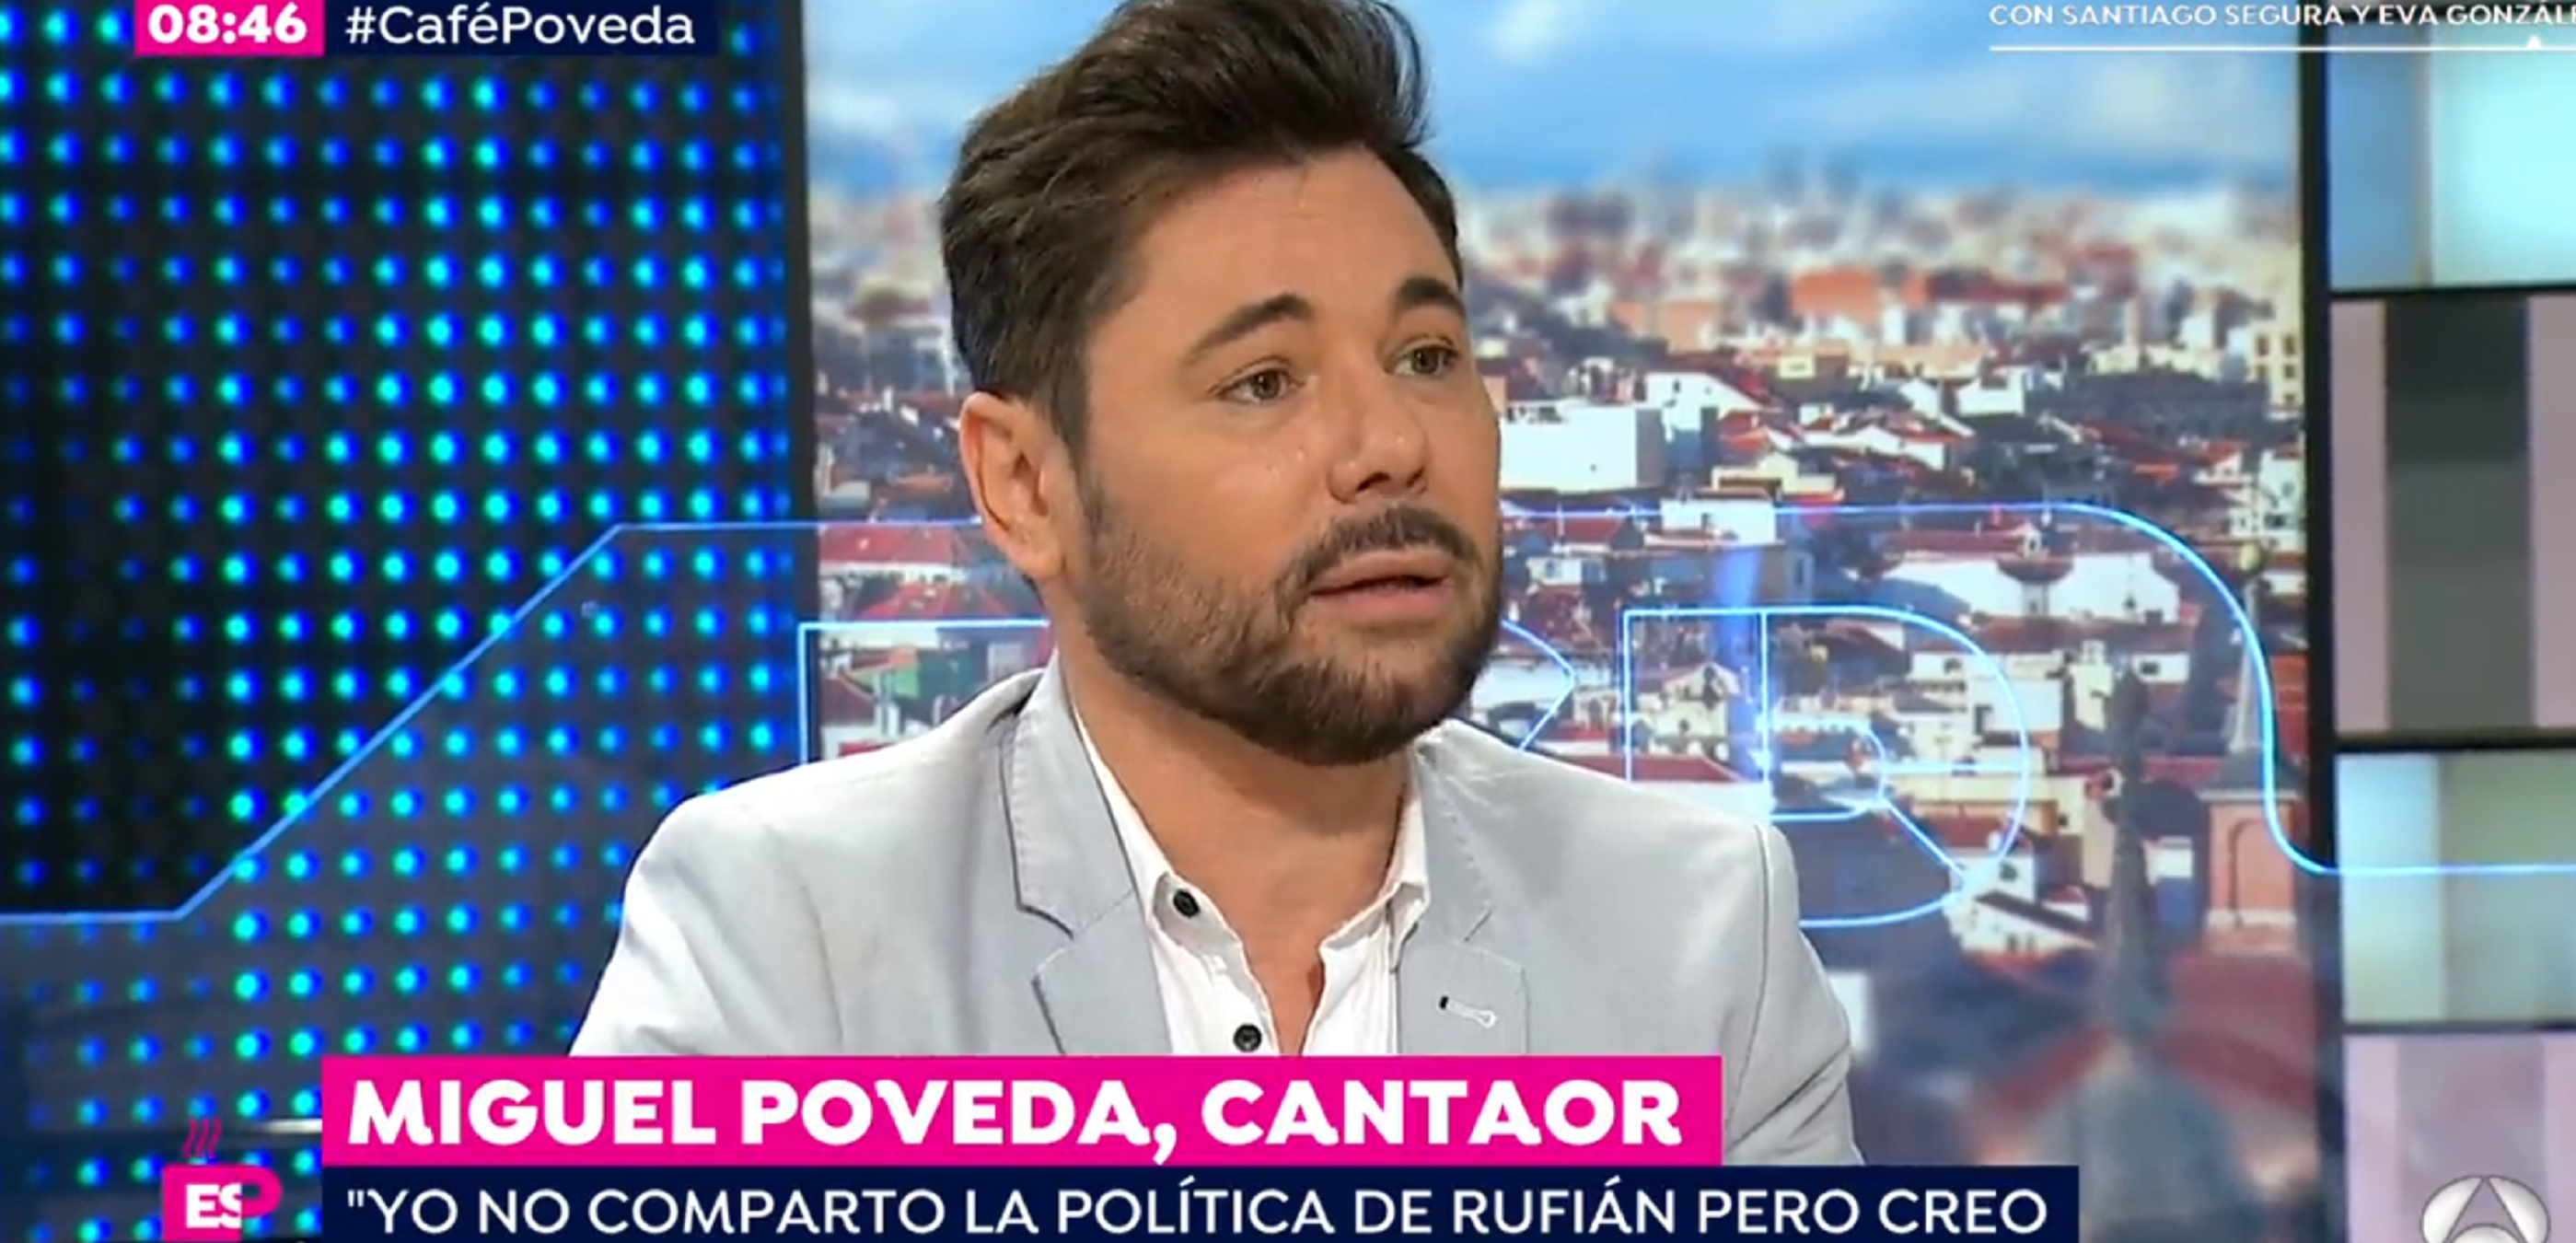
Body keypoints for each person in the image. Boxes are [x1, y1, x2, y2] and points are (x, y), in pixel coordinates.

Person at [571, 0, 1861, 1165]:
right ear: (1024, 485)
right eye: (1263, 381)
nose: (1389, 444)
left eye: (1425, 355)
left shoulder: (1701, 940)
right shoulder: (792, 935)